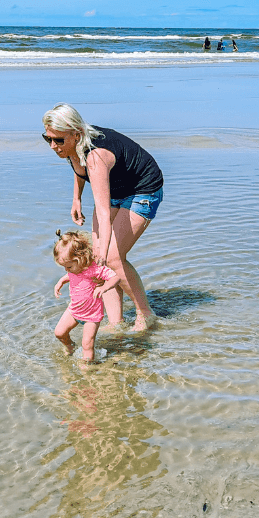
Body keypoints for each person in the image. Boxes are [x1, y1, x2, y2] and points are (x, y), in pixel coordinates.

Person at [42, 103, 164, 332]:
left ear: (76, 134)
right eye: (47, 138)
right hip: (115, 189)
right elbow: (79, 169)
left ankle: (145, 314)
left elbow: (102, 210)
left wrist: (104, 251)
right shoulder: (71, 147)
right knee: (98, 258)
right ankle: (116, 321)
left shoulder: (95, 157)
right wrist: (76, 198)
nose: (53, 146)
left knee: (112, 258)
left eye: (58, 140)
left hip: (142, 189)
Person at [52, 230, 120, 361]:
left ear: (80, 258)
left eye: (69, 267)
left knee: (87, 344)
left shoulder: (94, 269)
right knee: (59, 333)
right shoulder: (74, 269)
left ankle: (87, 368)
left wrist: (104, 287)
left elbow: (115, 278)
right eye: (64, 267)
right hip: (74, 310)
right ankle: (70, 347)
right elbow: (71, 275)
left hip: (91, 315)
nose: (67, 270)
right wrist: (61, 281)